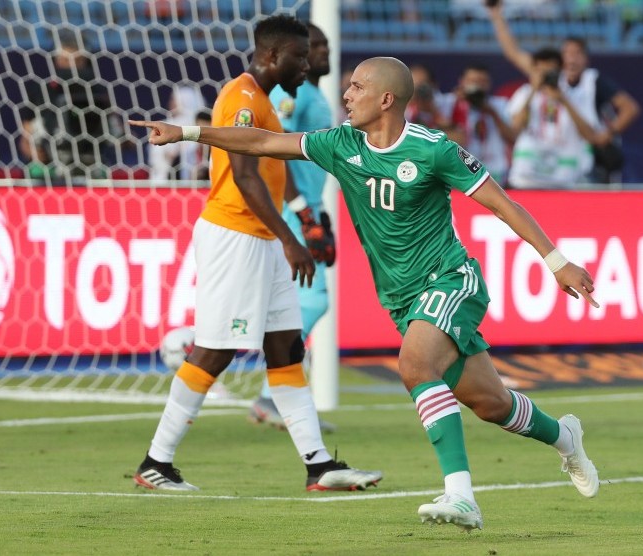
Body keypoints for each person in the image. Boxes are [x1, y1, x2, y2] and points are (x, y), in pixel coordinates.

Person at [130, 56, 600, 531]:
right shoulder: (340, 144)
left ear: (386, 99)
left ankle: (461, 497)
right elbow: (263, 141)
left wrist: (557, 262)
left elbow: (504, 204)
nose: (347, 95)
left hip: (451, 279)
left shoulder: (434, 149)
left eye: (356, 87)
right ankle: (565, 437)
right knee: (491, 403)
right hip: (400, 298)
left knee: (415, 366)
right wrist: (189, 133)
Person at [130, 15, 381, 493]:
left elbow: (273, 164)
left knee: (285, 346)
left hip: (263, 238)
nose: (306, 66)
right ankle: (155, 462)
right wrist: (291, 239)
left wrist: (301, 217)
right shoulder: (242, 98)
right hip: (236, 236)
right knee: (217, 348)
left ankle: (319, 466)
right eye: (299, 56)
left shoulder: (263, 100)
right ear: (270, 56)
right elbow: (245, 176)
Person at [249, 22, 337, 431]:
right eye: (313, 47)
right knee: (311, 300)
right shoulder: (289, 94)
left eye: (324, 46)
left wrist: (320, 215)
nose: (321, 52)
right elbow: (278, 153)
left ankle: (278, 397)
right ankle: (274, 394)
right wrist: (303, 212)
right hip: (293, 213)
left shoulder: (315, 94)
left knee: (292, 300)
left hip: (308, 209)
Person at [487, 3, 640, 185]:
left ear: (585, 58)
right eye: (566, 53)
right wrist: (497, 16)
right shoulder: (535, 84)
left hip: (569, 174)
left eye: (577, 54)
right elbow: (514, 52)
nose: (571, 59)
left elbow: (628, 109)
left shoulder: (585, 86)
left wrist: (607, 134)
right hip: (529, 175)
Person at [18, 28, 124, 186]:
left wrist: (123, 137)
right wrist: (35, 153)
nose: (72, 66)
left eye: (78, 61)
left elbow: (119, 134)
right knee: (34, 173)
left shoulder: (98, 92)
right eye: (66, 61)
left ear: (86, 61)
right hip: (50, 162)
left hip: (90, 162)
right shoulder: (41, 91)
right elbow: (26, 136)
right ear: (57, 60)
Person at [506, 47, 603, 189]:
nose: (545, 76)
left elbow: (590, 136)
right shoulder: (524, 93)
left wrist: (564, 101)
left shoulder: (577, 95)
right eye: (540, 71)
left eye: (550, 71)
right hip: (526, 178)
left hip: (564, 180)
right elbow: (515, 129)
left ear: (561, 71)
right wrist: (533, 90)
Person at [446, 62, 517, 185]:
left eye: (482, 81)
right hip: (462, 177)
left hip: (496, 178)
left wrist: (492, 113)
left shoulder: (501, 105)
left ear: (489, 83)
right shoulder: (449, 104)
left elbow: (512, 138)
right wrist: (460, 105)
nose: (477, 86)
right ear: (461, 82)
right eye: (473, 81)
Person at [148, 85, 210, 184]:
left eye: (174, 99)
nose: (171, 103)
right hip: (165, 179)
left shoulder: (197, 126)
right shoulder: (165, 124)